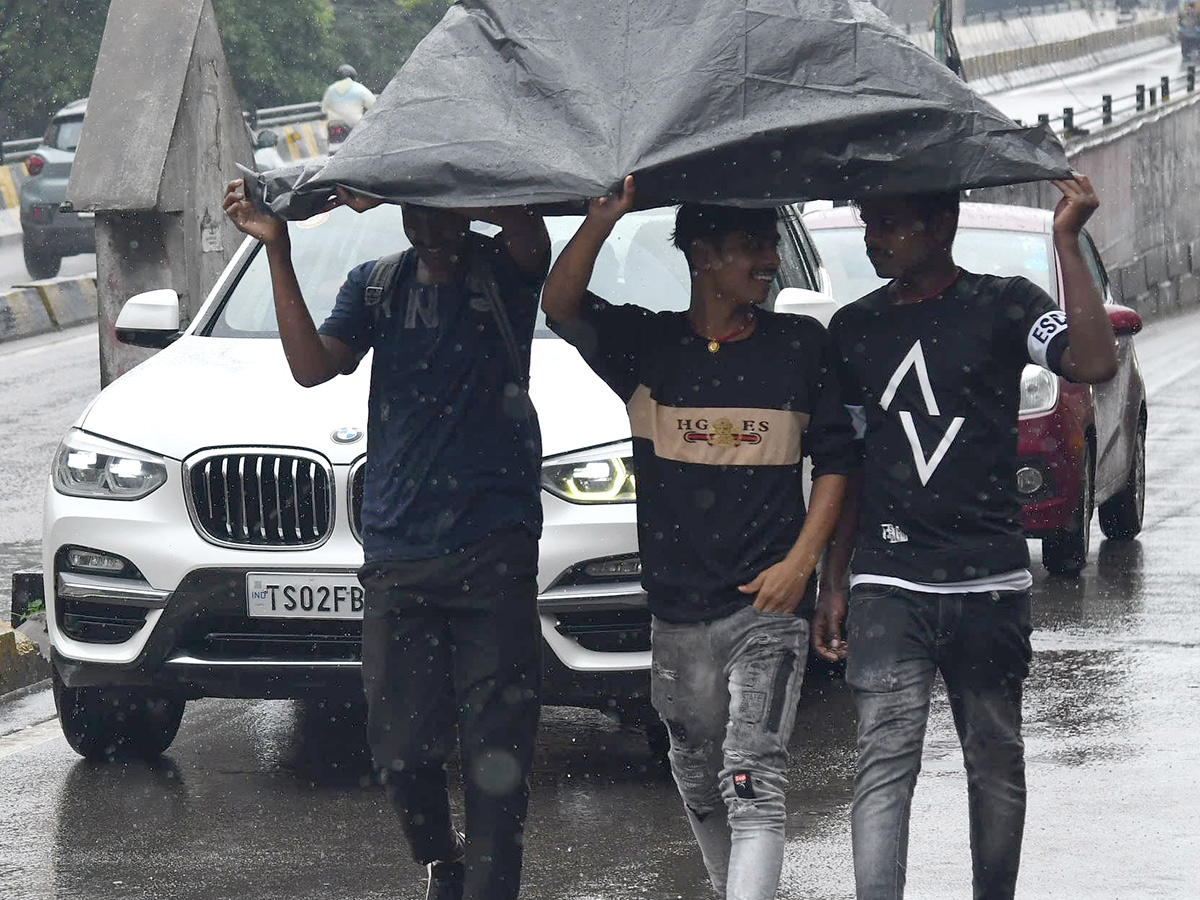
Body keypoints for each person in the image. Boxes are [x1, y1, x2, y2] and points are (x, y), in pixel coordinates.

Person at [222, 178, 550, 900]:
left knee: (498, 752)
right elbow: (312, 367)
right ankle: (441, 855)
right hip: (398, 552)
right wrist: (277, 248)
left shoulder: (505, 269)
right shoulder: (375, 287)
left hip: (494, 546)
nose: (428, 223)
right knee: (400, 750)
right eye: (415, 205)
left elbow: (526, 226)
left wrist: (447, 185)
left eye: (441, 205)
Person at [542, 176, 855, 900]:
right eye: (753, 247)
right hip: (677, 615)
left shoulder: (800, 345)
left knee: (754, 780)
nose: (770, 261)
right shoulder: (645, 346)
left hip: (767, 611)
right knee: (700, 779)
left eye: (772, 245)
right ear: (702, 256)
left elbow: (839, 463)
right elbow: (559, 304)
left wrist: (801, 567)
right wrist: (602, 221)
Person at [812, 175, 1118, 900]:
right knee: (883, 762)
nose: (871, 237)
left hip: (990, 583)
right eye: (867, 222)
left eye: (888, 223)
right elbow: (846, 464)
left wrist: (1065, 240)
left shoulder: (1008, 305)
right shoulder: (852, 330)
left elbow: (1094, 362)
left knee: (995, 759)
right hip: (888, 583)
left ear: (941, 224)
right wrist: (833, 582)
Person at [321, 64, 376, 136]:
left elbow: (323, 109)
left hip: (335, 126)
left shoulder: (331, 90)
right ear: (353, 76)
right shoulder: (359, 88)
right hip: (355, 124)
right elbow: (374, 104)